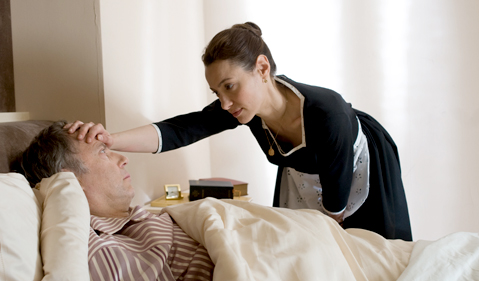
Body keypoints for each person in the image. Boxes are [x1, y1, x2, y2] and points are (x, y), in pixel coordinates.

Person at [66, 22, 412, 241]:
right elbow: (181, 130)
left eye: (230, 86)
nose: (226, 102)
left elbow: (336, 209)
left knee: (370, 251)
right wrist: (109, 139)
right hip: (305, 174)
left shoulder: (327, 112)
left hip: (358, 165)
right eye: (218, 93)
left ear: (262, 68)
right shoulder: (245, 109)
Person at [20, 121, 228, 281]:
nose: (123, 159)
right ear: (72, 181)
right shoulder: (108, 246)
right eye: (103, 151)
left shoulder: (137, 222)